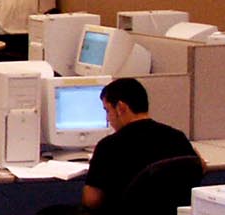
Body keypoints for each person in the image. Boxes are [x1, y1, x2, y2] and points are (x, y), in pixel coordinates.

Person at [78, 78, 200, 213]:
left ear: (120, 108)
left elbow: (92, 201)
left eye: (107, 111)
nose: (107, 119)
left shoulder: (109, 146)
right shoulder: (177, 137)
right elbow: (198, 168)